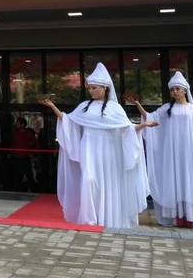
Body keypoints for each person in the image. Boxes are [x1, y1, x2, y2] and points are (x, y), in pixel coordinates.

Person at [40, 62, 156, 228]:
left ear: (105, 88)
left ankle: (109, 219)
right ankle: (90, 220)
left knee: (108, 184)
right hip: (89, 150)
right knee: (89, 180)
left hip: (109, 152)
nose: (91, 91)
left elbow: (127, 128)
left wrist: (144, 125)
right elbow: (68, 121)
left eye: (95, 88)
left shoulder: (115, 108)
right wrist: (53, 107)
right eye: (90, 88)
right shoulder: (84, 107)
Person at [131, 72, 193, 227]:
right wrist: (138, 104)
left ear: (185, 90)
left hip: (189, 151)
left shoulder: (192, 109)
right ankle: (178, 217)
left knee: (189, 178)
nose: (175, 92)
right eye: (172, 90)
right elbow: (150, 117)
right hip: (173, 152)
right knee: (175, 179)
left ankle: (190, 216)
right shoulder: (166, 109)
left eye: (177, 89)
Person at [10, 117, 37, 192]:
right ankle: (16, 191)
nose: (16, 124)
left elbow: (35, 144)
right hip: (16, 158)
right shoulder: (15, 133)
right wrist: (11, 154)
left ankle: (33, 191)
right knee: (16, 176)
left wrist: (32, 153)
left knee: (29, 175)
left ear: (22, 124)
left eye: (18, 123)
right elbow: (13, 145)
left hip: (25, 157)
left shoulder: (28, 133)